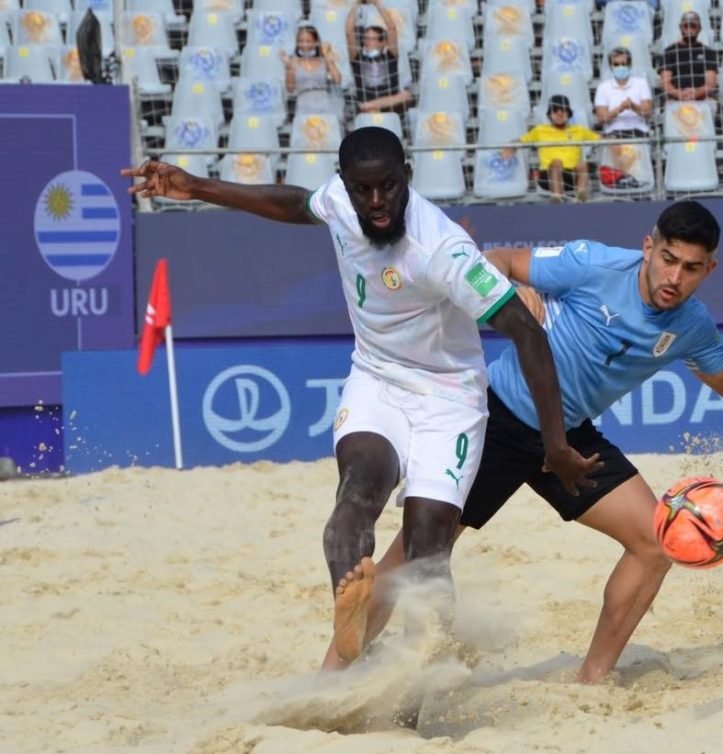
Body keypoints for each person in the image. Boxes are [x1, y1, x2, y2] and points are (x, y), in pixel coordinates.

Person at [121, 128, 599, 667]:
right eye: (362, 190)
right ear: (345, 184)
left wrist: (555, 444)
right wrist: (196, 186)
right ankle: (351, 624)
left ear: (407, 179)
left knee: (427, 545)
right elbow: (296, 204)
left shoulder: (442, 249)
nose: (376, 203)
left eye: (389, 187)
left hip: (449, 399)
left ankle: (421, 678)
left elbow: (528, 333)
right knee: (356, 496)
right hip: (376, 378)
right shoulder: (342, 203)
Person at [319, 201, 723, 682]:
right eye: (668, 258)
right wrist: (514, 287)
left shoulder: (692, 325)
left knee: (654, 543)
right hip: (497, 418)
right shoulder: (593, 263)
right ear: (648, 246)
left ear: (709, 269)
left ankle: (593, 680)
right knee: (414, 556)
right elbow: (495, 260)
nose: (675, 277)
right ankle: (330, 677)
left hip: (569, 437)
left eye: (690, 268)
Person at [509, 94, 600, 202]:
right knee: (557, 162)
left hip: (572, 175)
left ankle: (581, 196)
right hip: (547, 175)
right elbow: (520, 141)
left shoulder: (579, 130)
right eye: (555, 110)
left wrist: (614, 140)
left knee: (582, 165)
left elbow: (600, 139)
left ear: (569, 114)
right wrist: (509, 147)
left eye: (563, 110)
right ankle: (557, 198)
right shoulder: (540, 130)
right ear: (550, 114)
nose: (559, 113)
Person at [345, 0, 413, 115]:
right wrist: (356, 4)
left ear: (383, 42)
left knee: (406, 96)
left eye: (372, 39)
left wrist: (378, 4)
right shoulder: (358, 58)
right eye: (365, 38)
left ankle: (370, 105)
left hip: (390, 106)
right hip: (367, 103)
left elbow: (392, 29)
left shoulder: (390, 56)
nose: (367, 42)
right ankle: (371, 105)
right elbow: (349, 31)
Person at [282, 25, 343, 118]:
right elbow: (290, 88)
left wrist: (326, 55)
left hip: (325, 104)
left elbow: (337, 79)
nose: (304, 45)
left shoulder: (323, 60)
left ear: (315, 42)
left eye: (308, 41)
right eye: (300, 41)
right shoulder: (293, 61)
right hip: (303, 104)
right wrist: (288, 67)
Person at [594, 46, 654, 139]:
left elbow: (648, 112)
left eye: (623, 64)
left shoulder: (641, 83)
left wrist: (632, 106)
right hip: (613, 131)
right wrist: (620, 109)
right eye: (616, 64)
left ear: (630, 65)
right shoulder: (603, 87)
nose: (620, 67)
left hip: (639, 131)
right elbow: (601, 119)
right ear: (610, 66)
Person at [659, 10, 718, 103]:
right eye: (686, 26)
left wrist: (696, 93)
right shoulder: (669, 52)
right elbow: (665, 82)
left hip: (703, 98)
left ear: (700, 29)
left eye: (693, 26)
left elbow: (710, 83)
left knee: (711, 105)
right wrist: (679, 94)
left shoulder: (708, 52)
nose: (689, 30)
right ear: (680, 28)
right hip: (675, 97)